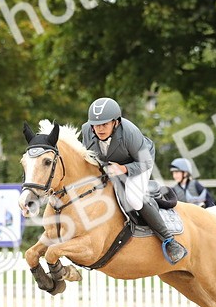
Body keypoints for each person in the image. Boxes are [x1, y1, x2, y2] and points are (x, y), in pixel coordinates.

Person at [80, 97, 187, 264]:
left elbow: (145, 162)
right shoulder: (87, 130)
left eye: (104, 124)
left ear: (115, 122)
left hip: (139, 162)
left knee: (134, 199)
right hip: (110, 165)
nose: (99, 129)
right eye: (96, 125)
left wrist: (124, 169)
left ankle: (169, 240)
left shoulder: (129, 133)